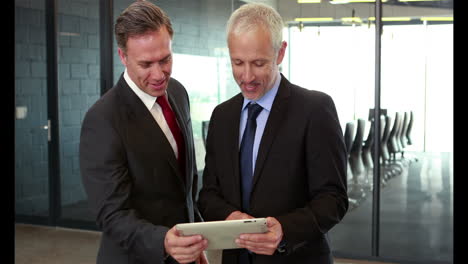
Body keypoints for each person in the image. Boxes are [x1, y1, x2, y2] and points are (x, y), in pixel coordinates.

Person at [198, 3, 348, 264]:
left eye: (258, 63)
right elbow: (208, 194)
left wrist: (284, 230)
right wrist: (228, 216)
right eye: (237, 62)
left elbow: (333, 199)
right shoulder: (222, 116)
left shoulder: (314, 109)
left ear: (280, 53)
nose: (246, 76)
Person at [79, 1, 208, 263]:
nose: (159, 74)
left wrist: (195, 240)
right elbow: (112, 214)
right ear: (123, 57)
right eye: (146, 64)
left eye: (165, 59)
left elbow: (184, 182)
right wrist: (164, 242)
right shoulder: (103, 119)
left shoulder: (178, 93)